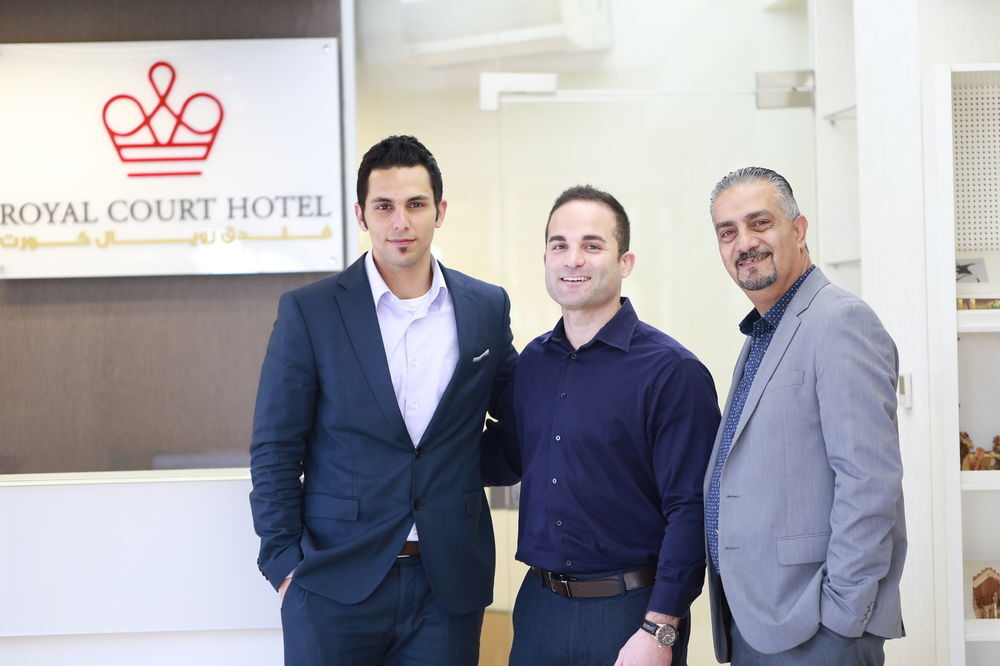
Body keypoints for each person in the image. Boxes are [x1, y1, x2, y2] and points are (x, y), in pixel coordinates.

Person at [249, 135, 516, 665]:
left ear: (440, 211)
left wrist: (457, 467)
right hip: (333, 583)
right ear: (361, 215)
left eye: (416, 204)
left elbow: (515, 421)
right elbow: (276, 446)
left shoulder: (486, 306)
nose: (401, 222)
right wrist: (284, 565)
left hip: (447, 585)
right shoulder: (311, 311)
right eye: (384, 206)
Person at [482, 185, 720, 665]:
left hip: (630, 611)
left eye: (592, 245)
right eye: (559, 245)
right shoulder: (532, 364)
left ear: (624, 262)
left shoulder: (672, 372)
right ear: (546, 259)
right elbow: (505, 458)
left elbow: (691, 508)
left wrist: (660, 627)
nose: (573, 259)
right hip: (539, 608)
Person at [704, 166, 907, 665]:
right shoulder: (767, 330)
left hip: (815, 629)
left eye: (760, 223)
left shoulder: (839, 321)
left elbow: (869, 483)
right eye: (728, 232)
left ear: (798, 230)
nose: (744, 243)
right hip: (759, 620)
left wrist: (841, 619)